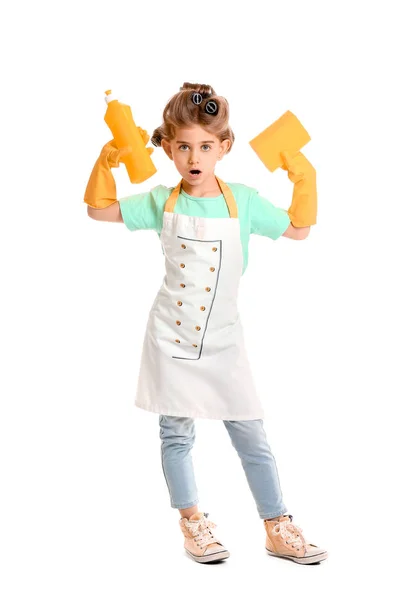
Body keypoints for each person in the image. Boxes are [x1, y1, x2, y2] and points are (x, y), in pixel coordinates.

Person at [84, 82, 328, 565]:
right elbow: (99, 210)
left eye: (205, 146)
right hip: (170, 339)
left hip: (224, 341)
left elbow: (298, 229)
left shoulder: (244, 201)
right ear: (169, 149)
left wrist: (304, 174)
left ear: (224, 147)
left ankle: (277, 526)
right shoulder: (161, 201)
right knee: (176, 434)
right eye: (183, 147)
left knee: (251, 433)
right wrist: (105, 162)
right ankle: (193, 524)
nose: (194, 157)